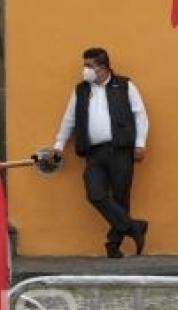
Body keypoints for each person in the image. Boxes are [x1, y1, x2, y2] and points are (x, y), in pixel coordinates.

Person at [51, 47, 149, 258]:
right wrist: (59, 145)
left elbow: (140, 115)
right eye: (84, 65)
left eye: (89, 66)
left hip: (121, 150)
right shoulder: (81, 90)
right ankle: (134, 227)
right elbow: (70, 119)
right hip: (94, 153)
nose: (85, 70)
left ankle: (113, 246)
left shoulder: (125, 85)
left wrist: (140, 144)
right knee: (95, 193)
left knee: (121, 197)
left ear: (103, 68)